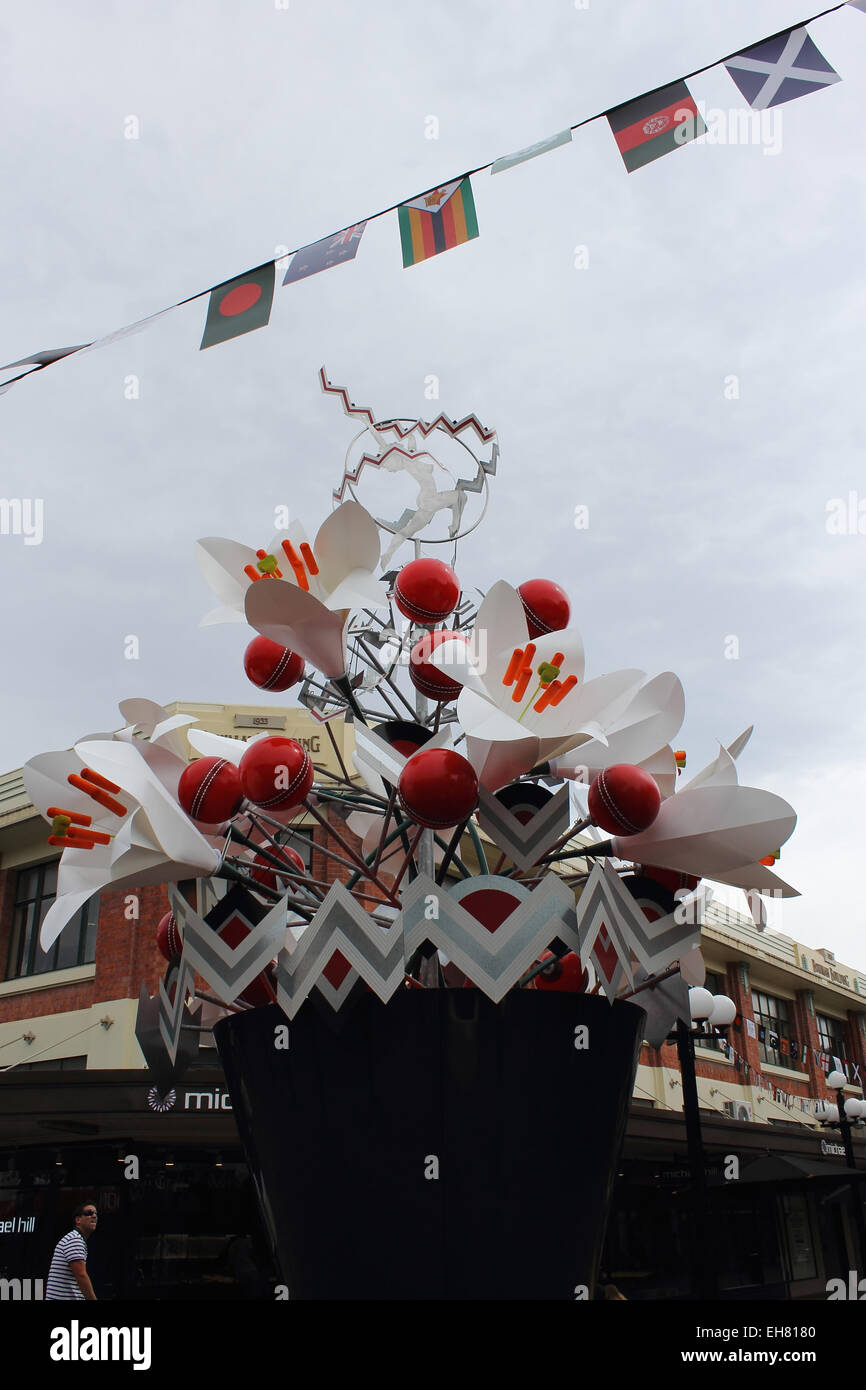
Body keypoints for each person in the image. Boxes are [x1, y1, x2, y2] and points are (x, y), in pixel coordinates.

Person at [45, 1202, 98, 1300]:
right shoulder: (74, 1240)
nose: (94, 1216)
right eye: (89, 1213)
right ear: (78, 1220)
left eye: (95, 1213)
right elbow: (81, 1275)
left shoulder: (75, 1238)